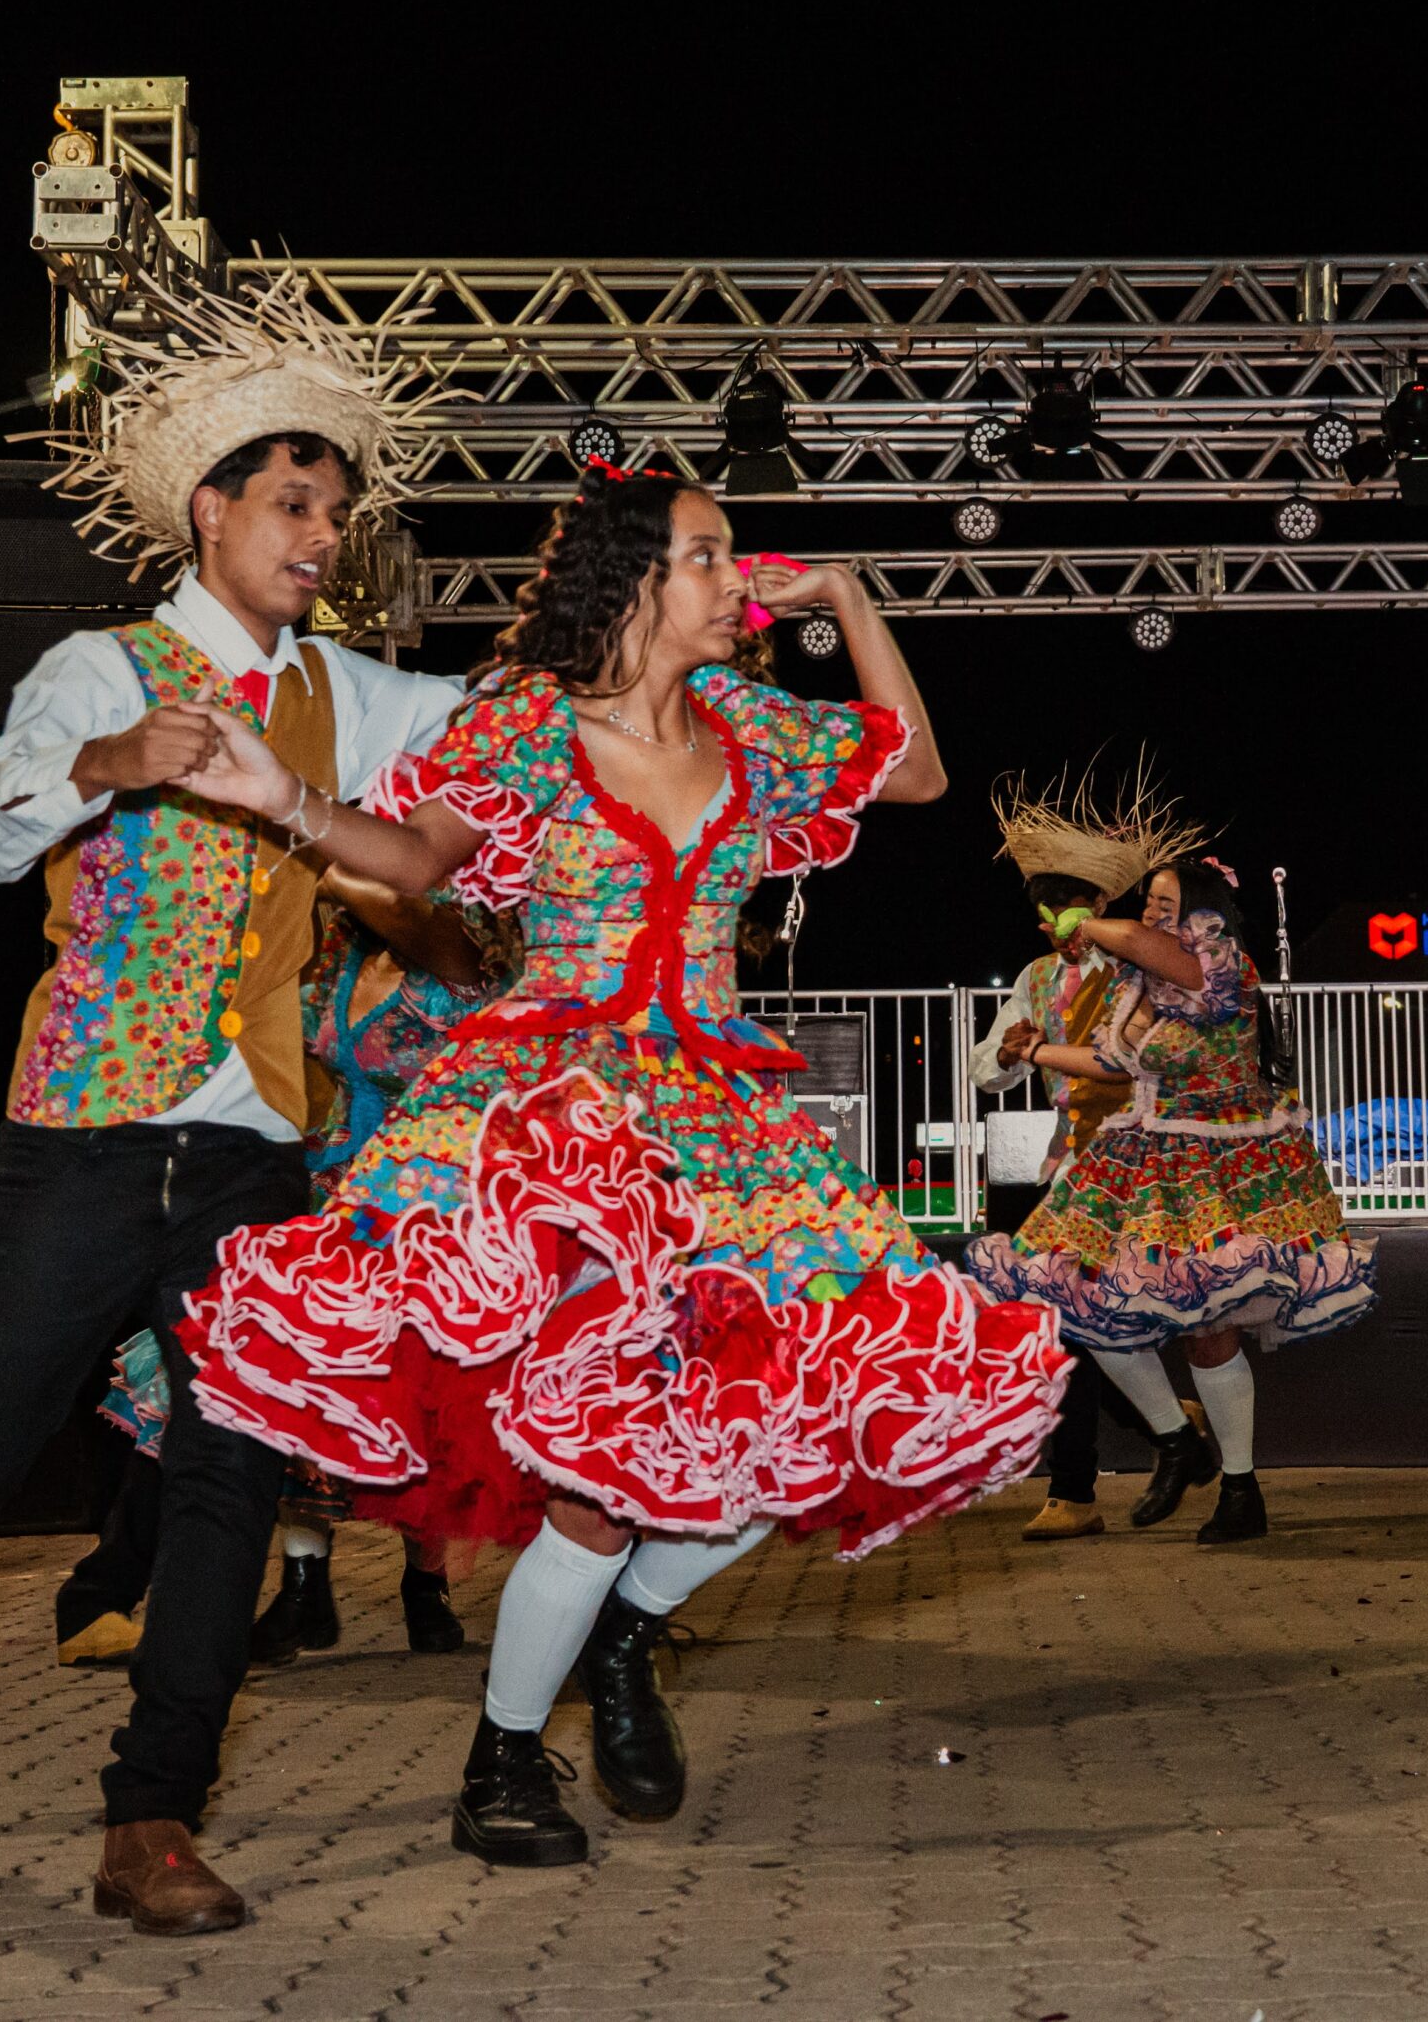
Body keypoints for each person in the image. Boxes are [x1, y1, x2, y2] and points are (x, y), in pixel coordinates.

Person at [172, 465, 1070, 1870]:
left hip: (722, 1124)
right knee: (599, 1480)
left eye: (734, 556)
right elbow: (410, 858)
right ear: (634, 578)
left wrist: (844, 594)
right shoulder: (528, 722)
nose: (736, 579)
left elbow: (915, 769)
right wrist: (283, 796)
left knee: (797, 1425)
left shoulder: (751, 728)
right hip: (562, 1128)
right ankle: (503, 1757)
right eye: (708, 555)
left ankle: (628, 1632)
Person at [0, 273, 466, 1940]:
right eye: (293, 503)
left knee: (234, 1476)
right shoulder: (102, 667)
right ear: (211, 511)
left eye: (336, 510)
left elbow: (495, 768)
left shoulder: (356, 699)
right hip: (85, 1129)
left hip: (252, 1150)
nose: (322, 534)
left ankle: (152, 1814)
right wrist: (106, 764)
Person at [67, 873, 515, 1673]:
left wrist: (312, 843)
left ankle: (426, 1587)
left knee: (415, 1395)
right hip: (329, 1188)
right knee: (292, 1379)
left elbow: (403, 908)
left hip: (431, 1202)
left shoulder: (464, 957)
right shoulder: (338, 960)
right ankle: (304, 1586)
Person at [956, 853, 1375, 1545]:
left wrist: (1083, 920)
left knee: (1210, 1332)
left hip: (1221, 1161)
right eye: (1148, 899)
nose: (1151, 911)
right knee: (1080, 1300)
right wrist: (1031, 1054)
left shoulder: (1218, 960)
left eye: (1165, 901)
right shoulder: (1142, 978)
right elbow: (1111, 1062)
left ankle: (1239, 1489)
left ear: (1202, 911)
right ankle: (1177, 1440)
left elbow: (1135, 940)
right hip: (1145, 1156)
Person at [968, 775, 1166, 1542]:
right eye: (1047, 918)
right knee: (1069, 1324)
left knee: (1100, 1324)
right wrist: (1008, 1054)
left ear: (1101, 908)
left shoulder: (1139, 969)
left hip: (1147, 1161)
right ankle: (1098, 1471)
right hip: (1072, 1168)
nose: (1058, 930)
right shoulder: (1035, 978)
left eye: (1071, 914)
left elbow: (1137, 1061)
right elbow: (986, 1065)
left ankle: (1152, 1438)